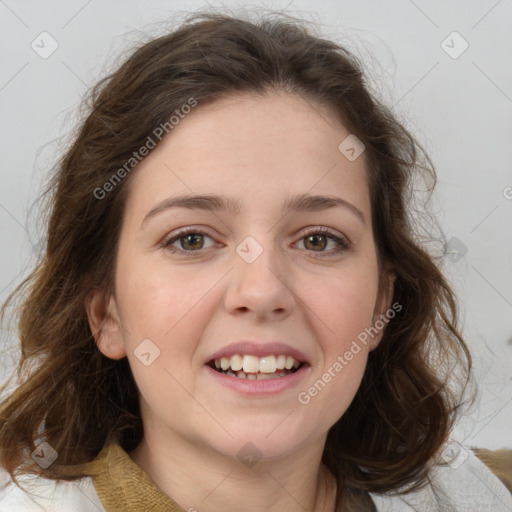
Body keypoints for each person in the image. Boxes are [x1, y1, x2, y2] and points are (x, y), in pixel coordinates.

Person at [0, 10, 511, 512]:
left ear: (382, 300)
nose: (262, 291)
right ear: (106, 312)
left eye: (318, 241)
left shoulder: (477, 493)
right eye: (192, 240)